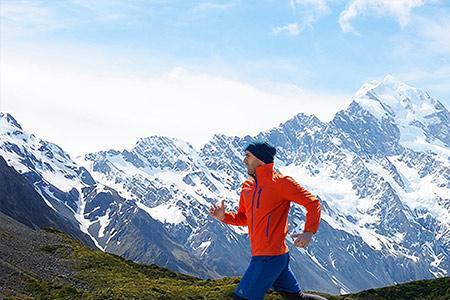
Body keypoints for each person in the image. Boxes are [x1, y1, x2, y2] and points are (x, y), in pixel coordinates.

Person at [209, 141, 328, 300]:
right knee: (297, 298)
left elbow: (313, 203)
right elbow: (243, 218)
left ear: (260, 158)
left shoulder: (281, 182)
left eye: (248, 156)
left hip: (269, 257)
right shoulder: (247, 187)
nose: (244, 160)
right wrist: (224, 217)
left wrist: (309, 232)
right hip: (271, 255)